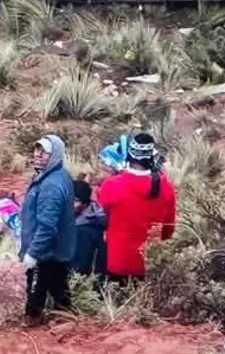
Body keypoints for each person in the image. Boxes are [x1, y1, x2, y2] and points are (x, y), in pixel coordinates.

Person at [96, 132, 177, 287]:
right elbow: (169, 228)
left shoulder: (112, 185)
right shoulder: (166, 187)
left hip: (117, 262)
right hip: (151, 263)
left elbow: (99, 217)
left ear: (129, 157)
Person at [18, 135, 76, 327]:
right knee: (59, 289)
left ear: (55, 155)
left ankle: (31, 330)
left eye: (43, 152)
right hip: (56, 251)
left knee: (35, 294)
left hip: (46, 254)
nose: (37, 154)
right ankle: (68, 321)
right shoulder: (55, 175)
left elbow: (47, 226)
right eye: (36, 150)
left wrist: (33, 254)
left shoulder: (51, 185)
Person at [70, 179, 107, 277]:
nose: (70, 204)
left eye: (75, 201)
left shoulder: (86, 229)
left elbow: (79, 265)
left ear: (85, 204)